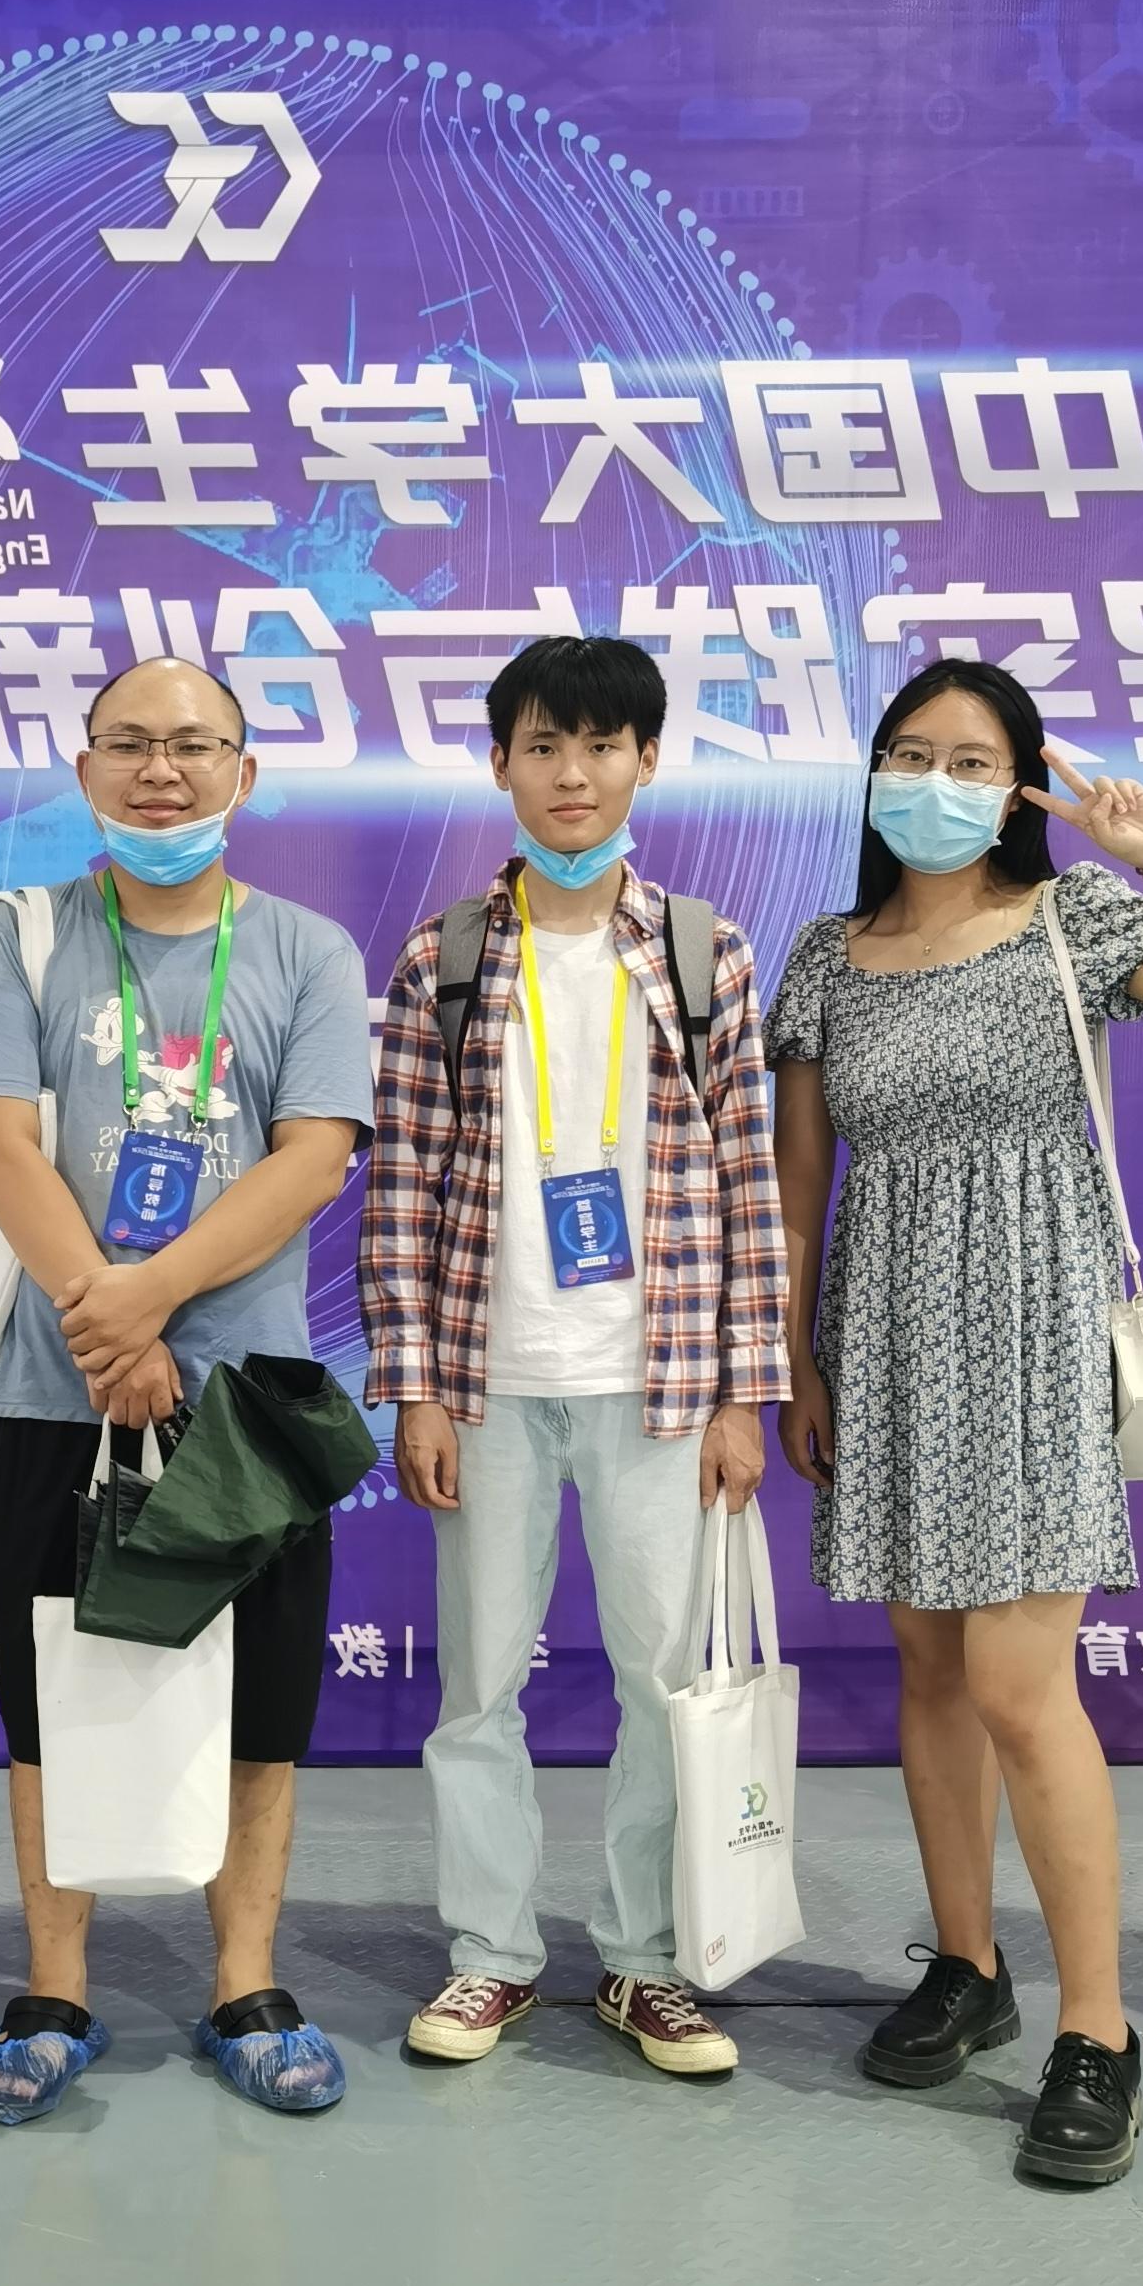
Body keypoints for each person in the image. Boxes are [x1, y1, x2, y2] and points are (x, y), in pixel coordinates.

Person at [770, 661, 1143, 2185]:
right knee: (930, 1671)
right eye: (909, 753)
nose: (934, 782)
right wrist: (799, 1362)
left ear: (1019, 786)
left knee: (1022, 1687)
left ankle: (1099, 2030)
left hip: (1031, 1329)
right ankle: (968, 1965)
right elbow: (802, 1179)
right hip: (883, 1331)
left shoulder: (1075, 920)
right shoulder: (825, 953)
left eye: (972, 759)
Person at [0, 655, 375, 2123]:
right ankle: (54, 1988)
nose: (161, 771)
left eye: (194, 745)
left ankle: (244, 1982)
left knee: (260, 1700)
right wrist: (107, 1326)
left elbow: (312, 1158)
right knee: (50, 1695)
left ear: (243, 774)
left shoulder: (308, 951)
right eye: (128, 744)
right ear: (85, 772)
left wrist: (147, 1301)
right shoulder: (24, 933)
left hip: (249, 1405)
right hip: (56, 1393)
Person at [363, 635, 786, 2077]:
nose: (573, 775)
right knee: (479, 1688)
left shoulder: (703, 950)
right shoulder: (445, 956)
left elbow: (748, 1179)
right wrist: (416, 1384)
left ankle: (647, 1962)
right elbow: (403, 1181)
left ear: (647, 762)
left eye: (603, 746)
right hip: (489, 1381)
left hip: (658, 1385)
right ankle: (489, 1957)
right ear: (500, 764)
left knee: (662, 1687)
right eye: (544, 746)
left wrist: (746, 1392)